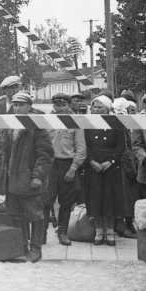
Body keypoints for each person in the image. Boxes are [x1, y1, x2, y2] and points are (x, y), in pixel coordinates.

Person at [0, 91, 54, 263]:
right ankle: (21, 247)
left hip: (29, 180)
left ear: (29, 107)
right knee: (15, 214)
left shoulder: (37, 126)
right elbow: (0, 150)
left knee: (36, 215)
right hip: (11, 179)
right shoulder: (8, 125)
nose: (17, 108)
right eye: (15, 104)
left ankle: (35, 249)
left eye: (21, 105)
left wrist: (38, 176)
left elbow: (45, 154)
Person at [43, 93, 86, 246]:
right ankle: (41, 233)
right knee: (45, 200)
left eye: (63, 104)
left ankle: (62, 232)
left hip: (67, 165)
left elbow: (81, 149)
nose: (60, 107)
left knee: (67, 202)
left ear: (69, 105)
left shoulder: (75, 122)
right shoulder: (47, 120)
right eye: (56, 104)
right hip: (50, 165)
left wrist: (73, 169)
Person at [83, 95, 126, 246]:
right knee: (95, 199)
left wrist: (111, 161)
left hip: (110, 168)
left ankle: (110, 232)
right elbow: (84, 144)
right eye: (94, 107)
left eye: (100, 107)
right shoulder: (88, 123)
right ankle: (99, 231)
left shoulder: (117, 124)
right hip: (93, 167)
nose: (96, 109)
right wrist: (91, 161)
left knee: (110, 200)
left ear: (108, 109)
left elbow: (122, 146)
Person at [112, 97, 139, 238]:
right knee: (125, 196)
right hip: (124, 166)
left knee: (129, 196)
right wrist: (131, 170)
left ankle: (127, 224)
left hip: (127, 164)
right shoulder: (122, 125)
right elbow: (125, 149)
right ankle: (122, 226)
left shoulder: (128, 125)